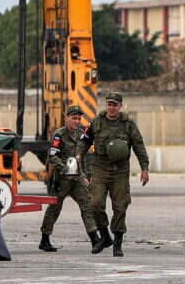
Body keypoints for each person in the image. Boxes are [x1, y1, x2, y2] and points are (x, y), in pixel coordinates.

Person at [76, 92, 150, 257]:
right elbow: (84, 139)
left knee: (120, 206)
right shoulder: (97, 122)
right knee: (95, 203)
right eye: (109, 104)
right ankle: (105, 236)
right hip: (100, 168)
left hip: (120, 170)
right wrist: (79, 153)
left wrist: (144, 168)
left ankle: (117, 243)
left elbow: (139, 146)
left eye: (115, 105)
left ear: (120, 106)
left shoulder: (128, 124)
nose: (111, 107)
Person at [39, 105, 102, 253]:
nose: (76, 121)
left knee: (87, 205)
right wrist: (66, 169)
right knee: (54, 208)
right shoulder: (59, 134)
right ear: (66, 118)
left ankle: (94, 239)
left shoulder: (82, 134)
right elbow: (53, 156)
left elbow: (88, 156)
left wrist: (88, 175)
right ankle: (45, 238)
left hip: (78, 178)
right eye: (73, 118)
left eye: (79, 118)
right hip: (62, 179)